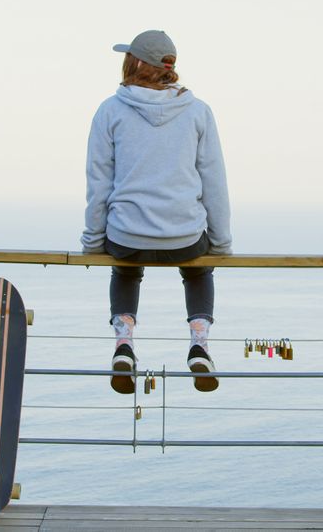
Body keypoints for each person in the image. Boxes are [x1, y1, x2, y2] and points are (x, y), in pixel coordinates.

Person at [82, 30, 232, 394]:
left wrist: (92, 242)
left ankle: (124, 343)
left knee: (126, 269)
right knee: (199, 270)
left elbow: (99, 182)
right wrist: (221, 244)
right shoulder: (198, 112)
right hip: (184, 238)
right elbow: (213, 181)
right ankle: (199, 344)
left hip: (126, 236)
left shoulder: (110, 110)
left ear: (134, 62)